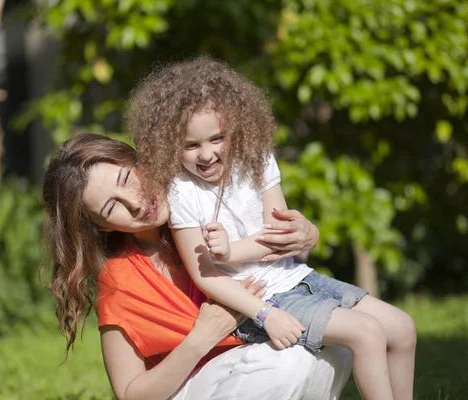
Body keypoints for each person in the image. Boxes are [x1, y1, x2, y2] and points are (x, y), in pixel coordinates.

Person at [127, 56, 417, 400]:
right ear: (170, 144)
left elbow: (280, 238)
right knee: (367, 333)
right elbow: (205, 275)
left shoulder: (257, 159)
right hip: (256, 300)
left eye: (217, 138)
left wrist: (234, 250)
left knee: (402, 329)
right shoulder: (181, 190)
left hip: (298, 278)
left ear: (235, 128)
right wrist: (265, 314)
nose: (206, 155)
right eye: (191, 145)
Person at [42, 133, 352, 400]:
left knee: (336, 346)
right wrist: (201, 338)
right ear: (103, 227)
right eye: (112, 207)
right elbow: (129, 393)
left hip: (257, 361)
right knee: (288, 362)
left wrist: (306, 237)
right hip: (197, 385)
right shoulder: (121, 281)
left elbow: (282, 268)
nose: (134, 203)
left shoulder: (199, 199)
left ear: (137, 160)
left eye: (125, 178)